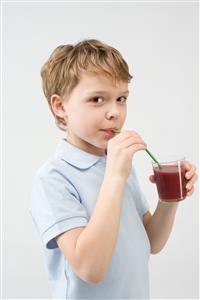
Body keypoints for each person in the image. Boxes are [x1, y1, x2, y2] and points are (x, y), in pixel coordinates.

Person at [29, 39, 197, 299]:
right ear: (60, 106)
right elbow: (90, 269)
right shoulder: (54, 179)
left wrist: (169, 199)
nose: (115, 112)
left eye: (121, 98)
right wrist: (116, 175)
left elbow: (151, 242)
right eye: (97, 99)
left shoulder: (118, 165)